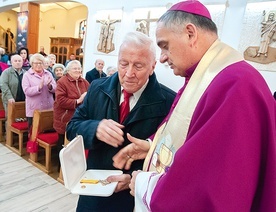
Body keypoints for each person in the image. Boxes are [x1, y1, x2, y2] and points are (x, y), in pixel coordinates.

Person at [112, 1, 276, 211]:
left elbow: (212, 187)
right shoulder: (208, 78)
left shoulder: (234, 85)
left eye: (165, 46)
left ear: (190, 33)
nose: (162, 58)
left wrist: (145, 184)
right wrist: (153, 148)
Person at [66, 31, 176, 211]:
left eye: (138, 66)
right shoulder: (97, 88)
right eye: (123, 64)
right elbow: (72, 128)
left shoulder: (168, 102)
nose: (129, 73)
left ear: (153, 66)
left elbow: (168, 157)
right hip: (94, 192)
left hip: (133, 198)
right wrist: (95, 128)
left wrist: (135, 177)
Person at [53, 60, 89, 169]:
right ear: (68, 71)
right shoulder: (62, 82)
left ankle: (73, 167)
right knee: (62, 144)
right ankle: (60, 167)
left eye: (79, 68)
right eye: (75, 68)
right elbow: (60, 100)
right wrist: (78, 101)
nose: (78, 70)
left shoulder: (84, 82)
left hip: (80, 118)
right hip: (64, 118)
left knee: (76, 144)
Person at [22, 53, 56, 131]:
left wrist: (50, 86)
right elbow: (26, 91)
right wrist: (38, 87)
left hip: (48, 107)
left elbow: (56, 88)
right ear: (32, 64)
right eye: (35, 63)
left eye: (40, 63)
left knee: (47, 131)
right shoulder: (27, 75)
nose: (38, 65)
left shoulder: (48, 73)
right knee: (34, 132)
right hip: (34, 109)